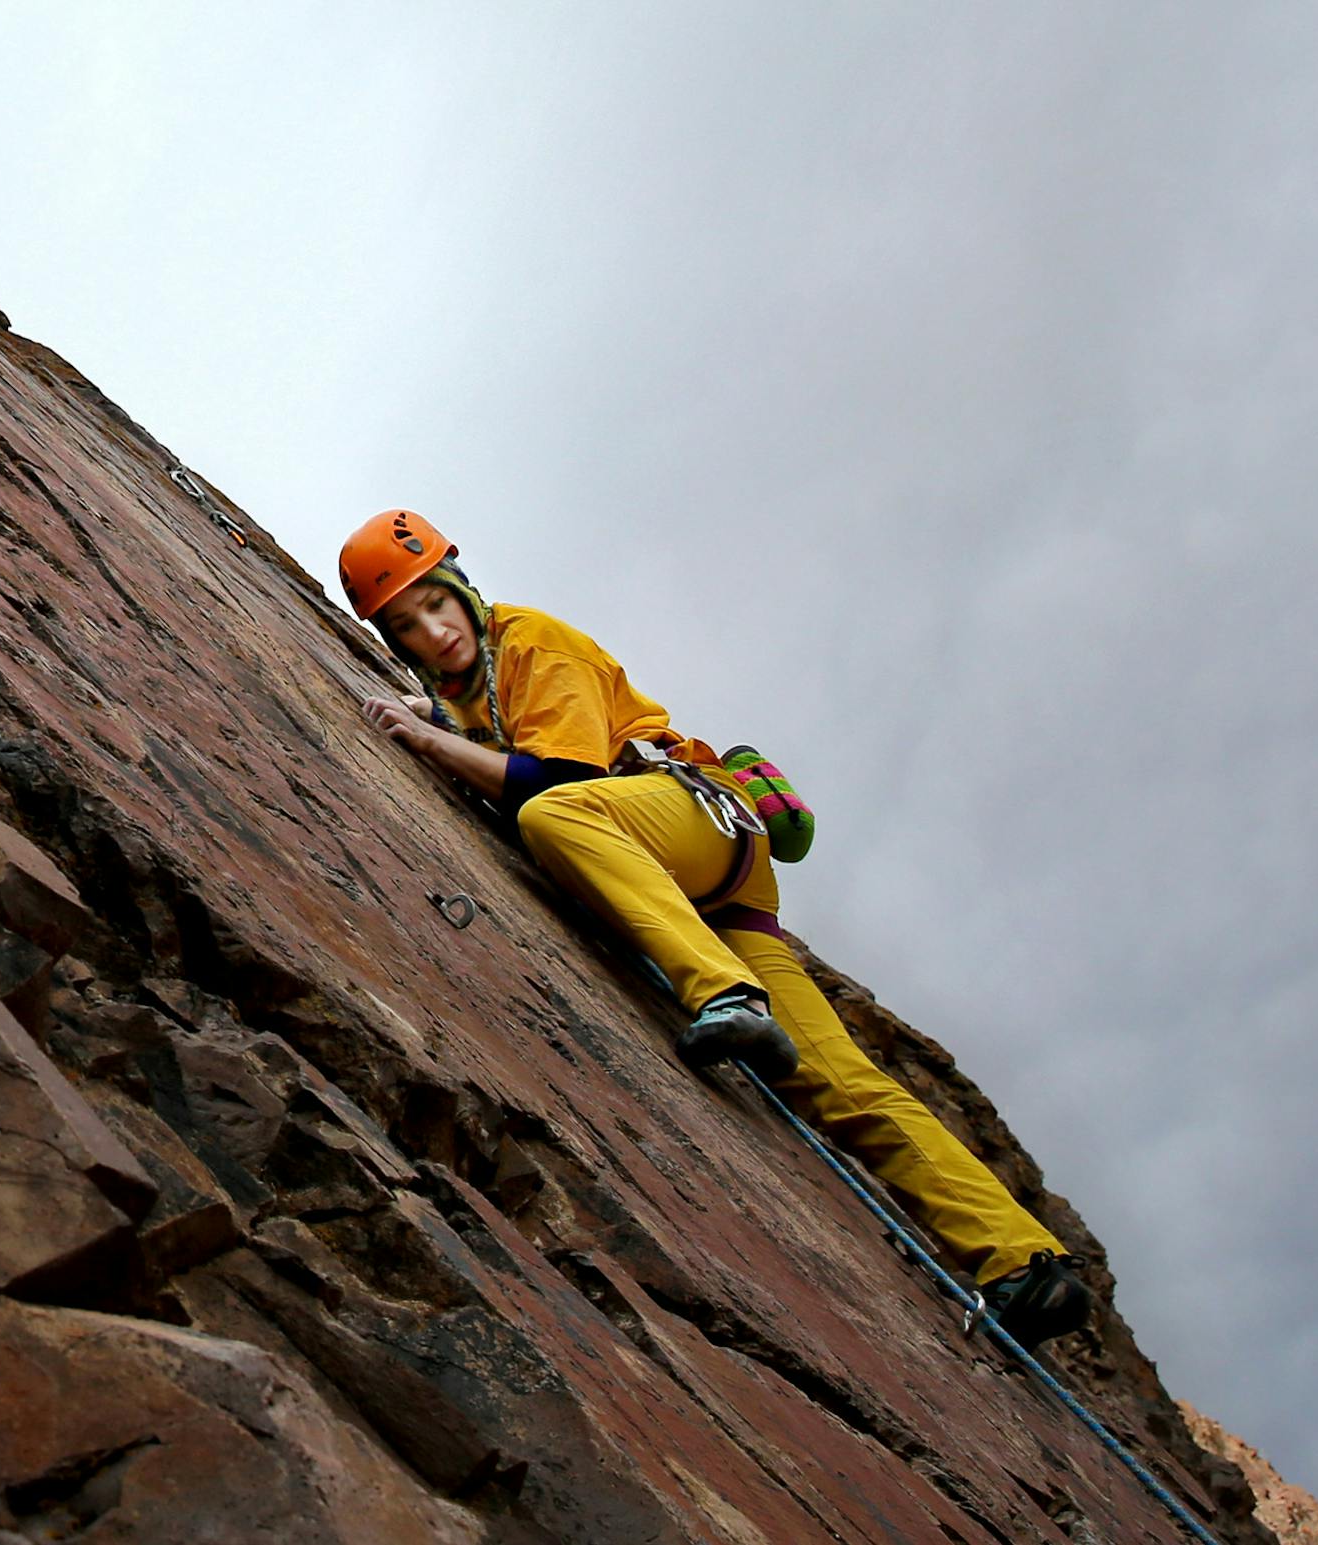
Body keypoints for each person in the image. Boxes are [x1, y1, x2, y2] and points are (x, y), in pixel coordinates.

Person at [340, 508, 1093, 1348]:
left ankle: (726, 993)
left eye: (435, 604)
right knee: (834, 1074)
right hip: (711, 878)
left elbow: (558, 778)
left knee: (555, 814)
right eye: (406, 625)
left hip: (692, 823)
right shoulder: (466, 692)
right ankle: (1024, 1263)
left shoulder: (529, 641)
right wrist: (442, 722)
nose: (433, 631)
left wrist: (431, 745)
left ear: (464, 589)